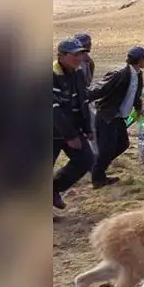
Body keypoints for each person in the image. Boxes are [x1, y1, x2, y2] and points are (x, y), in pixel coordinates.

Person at [88, 45, 144, 188]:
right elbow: (100, 89)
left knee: (123, 144)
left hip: (119, 117)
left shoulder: (138, 74)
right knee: (106, 149)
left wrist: (138, 109)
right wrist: (81, 98)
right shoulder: (119, 73)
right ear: (139, 60)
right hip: (107, 115)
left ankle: (97, 166)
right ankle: (97, 177)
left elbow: (136, 94)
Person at [52, 38, 95, 209]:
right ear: (61, 56)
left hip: (73, 130)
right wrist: (69, 136)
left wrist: (87, 128)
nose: (79, 58)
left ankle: (53, 189)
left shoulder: (77, 74)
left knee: (86, 159)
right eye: (75, 54)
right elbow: (53, 109)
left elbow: (82, 102)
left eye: (81, 54)